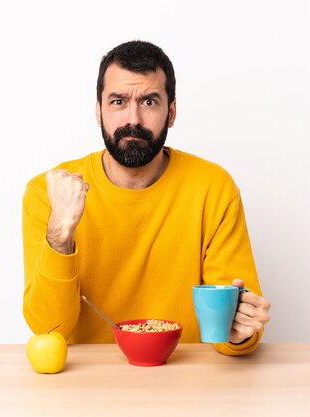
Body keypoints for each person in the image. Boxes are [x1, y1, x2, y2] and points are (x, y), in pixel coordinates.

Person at [22, 40, 270, 356]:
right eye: (118, 102)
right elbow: (48, 328)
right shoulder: (49, 192)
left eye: (150, 102)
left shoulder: (213, 187)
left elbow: (234, 331)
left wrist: (239, 332)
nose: (134, 119)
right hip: (84, 386)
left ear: (172, 112)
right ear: (98, 111)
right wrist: (60, 234)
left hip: (188, 381)